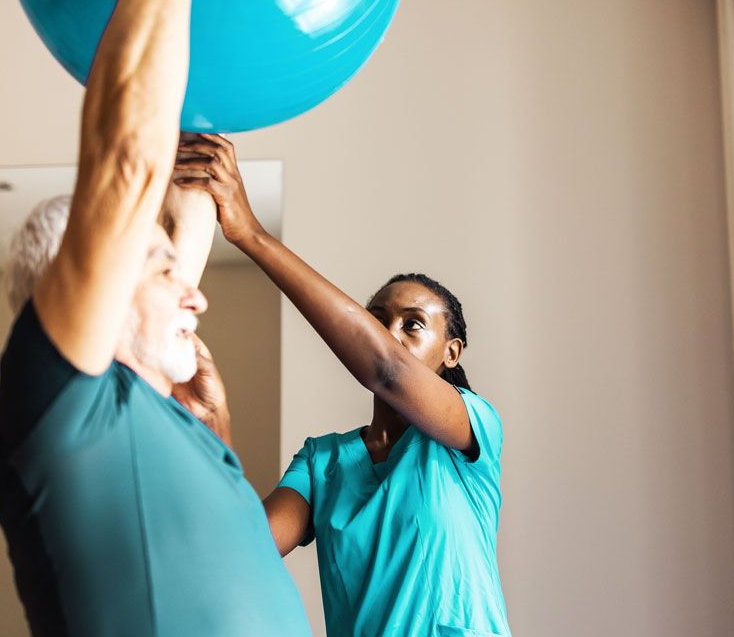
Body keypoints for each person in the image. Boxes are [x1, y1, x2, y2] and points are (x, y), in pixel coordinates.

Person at [0, 0, 310, 633]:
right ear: (88, 288)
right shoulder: (59, 406)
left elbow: (186, 208)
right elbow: (129, 164)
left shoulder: (164, 409)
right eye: (159, 267)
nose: (196, 293)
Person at [174, 137, 512, 637]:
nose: (389, 334)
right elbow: (244, 552)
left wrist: (249, 233)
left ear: (452, 352)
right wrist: (214, 432)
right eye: (377, 321)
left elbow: (387, 369)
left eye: (412, 324)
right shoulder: (323, 463)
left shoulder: (470, 433)